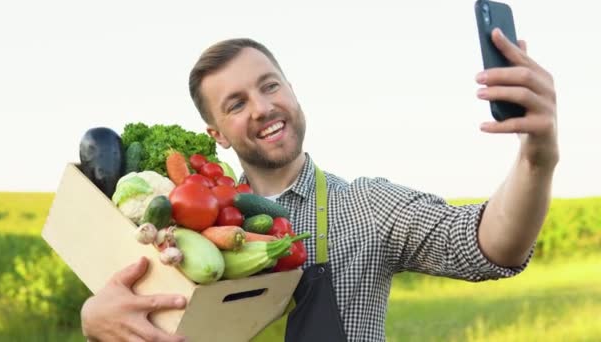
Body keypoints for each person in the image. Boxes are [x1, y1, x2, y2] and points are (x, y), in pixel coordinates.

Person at [80, 28, 558, 341]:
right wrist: (93, 321)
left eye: (270, 86)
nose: (263, 107)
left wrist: (537, 159)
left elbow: (486, 246)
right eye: (236, 103)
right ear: (218, 135)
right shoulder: (182, 227)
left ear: (291, 92)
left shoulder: (367, 206)